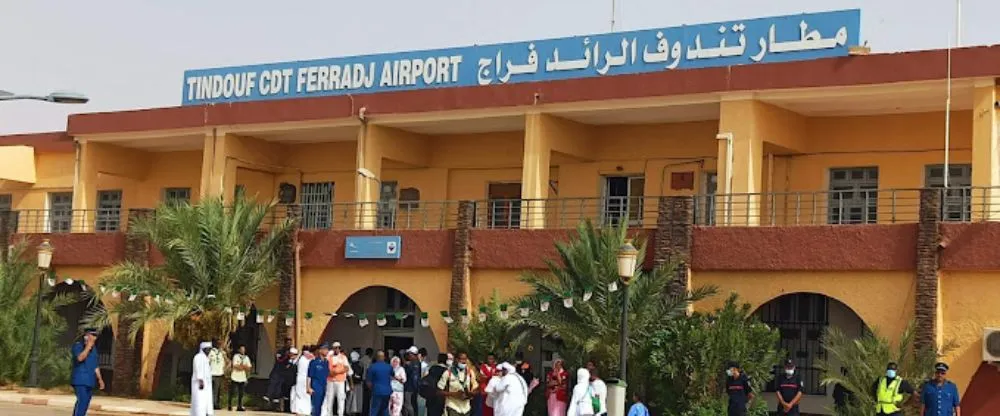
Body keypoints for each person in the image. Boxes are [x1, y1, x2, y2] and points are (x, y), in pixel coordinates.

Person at [71, 328, 105, 416]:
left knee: (85, 402)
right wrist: (88, 347)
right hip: (80, 380)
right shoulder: (78, 346)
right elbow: (80, 358)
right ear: (86, 336)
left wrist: (100, 379)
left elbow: (95, 365)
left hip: (90, 380)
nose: (93, 338)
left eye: (95, 336)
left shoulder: (94, 349)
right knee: (82, 400)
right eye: (91, 335)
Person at [438, 352, 478, 416]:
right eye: (461, 359)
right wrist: (454, 394)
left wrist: (471, 394)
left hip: (466, 408)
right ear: (456, 359)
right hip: (452, 406)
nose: (463, 361)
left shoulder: (470, 372)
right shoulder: (448, 373)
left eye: (465, 359)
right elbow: (439, 391)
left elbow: (476, 388)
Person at [326, 342, 353, 416]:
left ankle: (340, 414)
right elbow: (327, 369)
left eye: (339, 347)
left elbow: (347, 368)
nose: (337, 349)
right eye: (335, 348)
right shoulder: (329, 357)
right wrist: (333, 372)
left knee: (341, 398)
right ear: (333, 348)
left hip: (340, 381)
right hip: (330, 381)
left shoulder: (343, 357)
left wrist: (338, 371)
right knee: (329, 398)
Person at [191, 341, 215, 416]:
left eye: (210, 349)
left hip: (206, 384)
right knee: (199, 401)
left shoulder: (206, 358)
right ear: (203, 349)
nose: (209, 351)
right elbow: (198, 369)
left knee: (206, 401)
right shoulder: (198, 357)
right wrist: (201, 381)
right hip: (200, 384)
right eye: (208, 349)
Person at [368, 351, 395, 416]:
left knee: (374, 410)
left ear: (376, 357)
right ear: (384, 357)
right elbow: (393, 374)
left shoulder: (372, 367)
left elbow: (368, 382)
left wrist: (372, 389)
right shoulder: (389, 367)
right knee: (385, 409)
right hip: (387, 391)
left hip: (377, 391)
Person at [309, 344, 332, 416]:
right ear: (320, 350)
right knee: (316, 406)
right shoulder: (314, 362)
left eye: (327, 349)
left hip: (324, 385)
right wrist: (308, 387)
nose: (327, 351)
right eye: (325, 349)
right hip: (316, 385)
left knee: (320, 405)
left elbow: (328, 373)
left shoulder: (326, 362)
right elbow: (309, 376)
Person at [229, 345, 253, 412]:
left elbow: (249, 368)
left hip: (242, 377)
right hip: (235, 376)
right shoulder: (236, 356)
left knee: (241, 393)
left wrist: (241, 367)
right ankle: (229, 405)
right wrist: (243, 367)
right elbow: (235, 366)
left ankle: (239, 406)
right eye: (241, 349)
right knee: (233, 392)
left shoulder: (246, 358)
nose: (243, 350)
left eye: (244, 349)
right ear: (239, 350)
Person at [291, 348, 313, 416]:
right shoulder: (302, 359)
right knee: (299, 394)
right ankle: (299, 410)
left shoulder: (307, 359)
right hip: (301, 378)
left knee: (305, 394)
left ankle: (305, 410)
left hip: (305, 378)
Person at [208, 339, 227, 410]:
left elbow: (227, 362)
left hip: (219, 373)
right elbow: (208, 362)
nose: (221, 345)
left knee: (217, 390)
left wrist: (225, 356)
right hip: (211, 373)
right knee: (211, 390)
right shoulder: (211, 352)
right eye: (220, 344)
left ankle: (216, 404)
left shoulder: (223, 353)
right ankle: (210, 404)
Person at [405, 347, 422, 416]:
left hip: (410, 388)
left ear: (413, 354)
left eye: (409, 354)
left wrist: (415, 388)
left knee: (408, 404)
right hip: (413, 388)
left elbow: (415, 377)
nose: (408, 356)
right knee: (412, 404)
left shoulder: (413, 364)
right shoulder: (418, 363)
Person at [348, 350, 364, 415]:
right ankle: (356, 411)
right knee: (357, 399)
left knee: (352, 399)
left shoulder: (351, 365)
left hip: (352, 384)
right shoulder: (359, 365)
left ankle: (351, 412)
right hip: (357, 384)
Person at [363, 348, 375, 416]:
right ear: (371, 353)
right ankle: (367, 413)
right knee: (368, 398)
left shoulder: (362, 359)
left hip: (363, 380)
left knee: (365, 398)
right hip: (368, 380)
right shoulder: (368, 360)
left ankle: (364, 412)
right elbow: (368, 370)